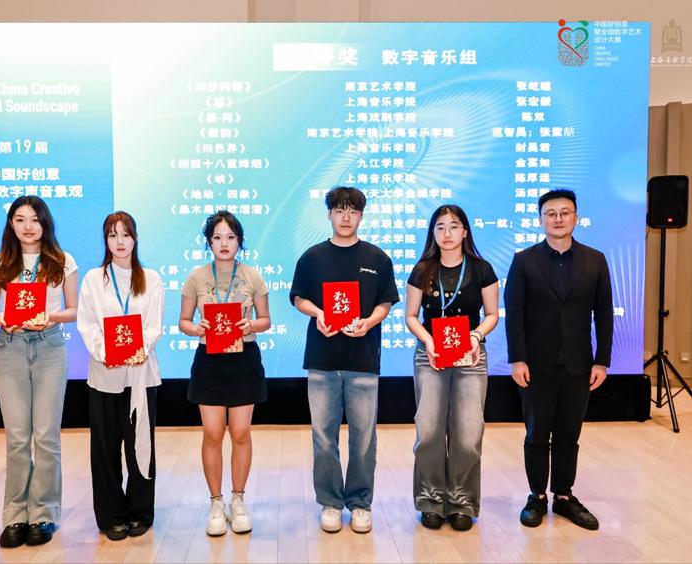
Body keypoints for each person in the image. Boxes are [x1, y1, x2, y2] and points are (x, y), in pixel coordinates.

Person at [289, 186, 399, 534]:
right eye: (339, 210)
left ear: (361, 216)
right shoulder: (313, 257)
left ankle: (361, 503)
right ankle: (331, 502)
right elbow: (298, 298)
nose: (346, 217)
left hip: (363, 359)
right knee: (324, 436)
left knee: (364, 437)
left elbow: (385, 302)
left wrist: (369, 321)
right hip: (322, 359)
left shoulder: (377, 258)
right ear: (329, 214)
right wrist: (319, 313)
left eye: (353, 211)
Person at [504, 189, 613, 531]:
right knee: (537, 434)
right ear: (540, 220)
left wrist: (602, 360)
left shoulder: (595, 260)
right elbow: (515, 314)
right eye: (550, 213)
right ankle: (537, 496)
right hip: (536, 365)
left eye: (565, 212)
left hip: (580, 364)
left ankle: (564, 496)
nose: (558, 219)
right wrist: (517, 359)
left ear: (576, 217)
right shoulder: (524, 260)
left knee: (569, 434)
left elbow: (604, 313)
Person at [0, 196, 78, 548]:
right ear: (11, 224)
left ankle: (43, 513)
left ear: (45, 223)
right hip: (10, 348)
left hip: (50, 348)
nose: (28, 226)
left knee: (46, 436)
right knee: (18, 437)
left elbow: (74, 310)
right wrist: (3, 319)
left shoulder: (62, 260)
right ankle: (15, 516)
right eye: (20, 219)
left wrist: (49, 317)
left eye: (35, 219)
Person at [404, 205, 499, 532]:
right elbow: (411, 316)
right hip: (430, 355)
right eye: (440, 227)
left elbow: (492, 314)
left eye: (454, 226)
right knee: (429, 430)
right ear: (433, 233)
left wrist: (475, 335)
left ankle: (461, 502)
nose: (447, 233)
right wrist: (428, 341)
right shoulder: (422, 270)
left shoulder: (482, 269)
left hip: (470, 357)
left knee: (468, 433)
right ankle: (431, 499)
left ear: (465, 231)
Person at [179, 211, 270, 536]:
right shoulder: (196, 278)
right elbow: (184, 322)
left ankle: (238, 500)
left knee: (241, 432)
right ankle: (216, 503)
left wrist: (251, 324)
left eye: (230, 237)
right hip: (210, 361)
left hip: (244, 360)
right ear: (209, 242)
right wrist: (196, 328)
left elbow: (266, 320)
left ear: (239, 241)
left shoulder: (253, 276)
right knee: (213, 433)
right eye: (217, 237)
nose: (224, 243)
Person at [77, 211, 163, 541]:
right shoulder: (93, 279)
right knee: (105, 448)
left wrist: (138, 348)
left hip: (142, 375)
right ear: (106, 241)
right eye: (113, 235)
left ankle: (140, 512)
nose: (120, 242)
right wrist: (105, 353)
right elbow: (87, 324)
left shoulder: (151, 279)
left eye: (125, 234)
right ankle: (111, 515)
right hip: (105, 376)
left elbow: (154, 324)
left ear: (135, 238)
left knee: (141, 443)